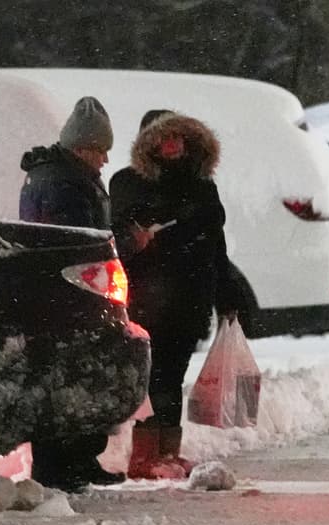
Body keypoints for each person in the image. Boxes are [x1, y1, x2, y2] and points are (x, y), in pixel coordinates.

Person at [110, 109, 255, 478]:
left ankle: (166, 453)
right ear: (149, 144)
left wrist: (227, 297)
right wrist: (139, 238)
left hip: (190, 301)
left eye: (178, 137)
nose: (172, 145)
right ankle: (145, 457)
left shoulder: (202, 187)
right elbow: (117, 236)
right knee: (153, 376)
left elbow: (216, 249)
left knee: (172, 375)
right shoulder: (129, 183)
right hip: (148, 300)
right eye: (163, 138)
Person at [17, 96, 127, 490]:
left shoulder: (53, 175)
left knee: (66, 378)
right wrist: (124, 242)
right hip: (70, 295)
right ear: (82, 147)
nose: (105, 160)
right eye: (101, 151)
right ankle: (64, 465)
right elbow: (80, 243)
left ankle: (73, 461)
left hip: (59, 293)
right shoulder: (66, 184)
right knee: (71, 378)